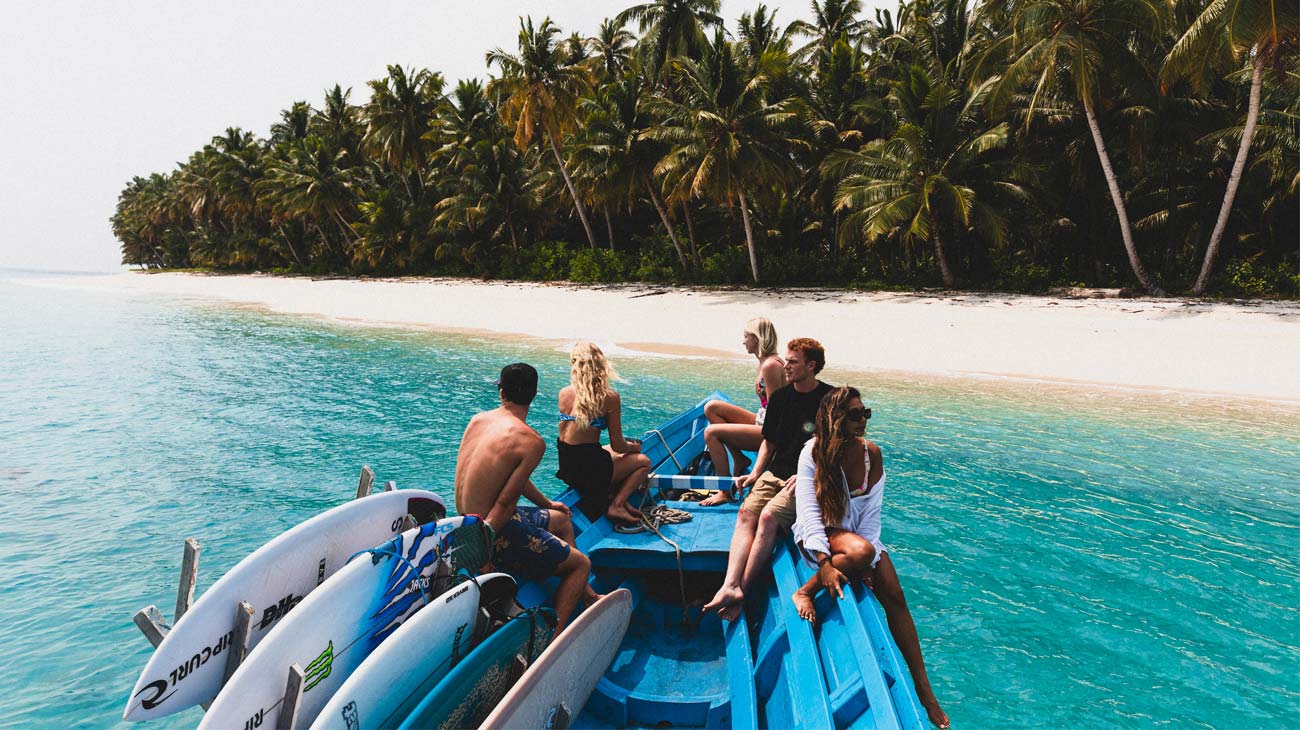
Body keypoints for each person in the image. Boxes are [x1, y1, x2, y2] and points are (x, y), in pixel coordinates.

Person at [790, 386, 949, 728]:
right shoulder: (813, 453)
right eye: (854, 415)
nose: (862, 420)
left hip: (859, 538)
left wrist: (869, 558)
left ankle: (926, 693)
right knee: (860, 552)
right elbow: (808, 515)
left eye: (866, 413)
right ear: (835, 419)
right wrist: (825, 561)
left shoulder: (870, 454)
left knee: (895, 594)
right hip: (822, 537)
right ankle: (805, 590)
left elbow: (871, 516)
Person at [454, 363, 596, 632]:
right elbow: (505, 504)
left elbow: (510, 479)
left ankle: (586, 594)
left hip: (466, 522)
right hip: (490, 533)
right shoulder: (531, 441)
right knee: (582, 564)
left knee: (562, 518)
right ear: (534, 394)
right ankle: (552, 640)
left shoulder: (478, 420)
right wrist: (483, 553)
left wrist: (547, 504)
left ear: (501, 393)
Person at [703, 338, 833, 621]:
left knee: (768, 519)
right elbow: (769, 443)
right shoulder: (781, 399)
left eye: (793, 361)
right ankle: (730, 584)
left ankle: (742, 591)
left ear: (811, 366)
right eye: (786, 359)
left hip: (806, 476)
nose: (785, 365)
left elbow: (831, 446)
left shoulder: (830, 400)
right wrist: (756, 472)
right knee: (746, 513)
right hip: (776, 471)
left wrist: (809, 473)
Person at [556, 342, 651, 526]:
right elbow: (618, 445)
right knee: (643, 462)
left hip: (567, 468)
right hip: (590, 473)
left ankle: (614, 495)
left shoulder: (564, 393)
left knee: (609, 453)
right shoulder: (609, 397)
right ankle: (617, 504)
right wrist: (633, 447)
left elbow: (580, 441)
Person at [699, 317, 787, 505]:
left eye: (746, 336)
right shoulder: (765, 362)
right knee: (712, 407)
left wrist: (768, 446)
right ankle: (739, 459)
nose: (743, 341)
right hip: (763, 419)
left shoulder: (771, 365)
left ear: (757, 338)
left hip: (772, 431)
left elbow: (775, 413)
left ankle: (725, 492)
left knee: (711, 433)